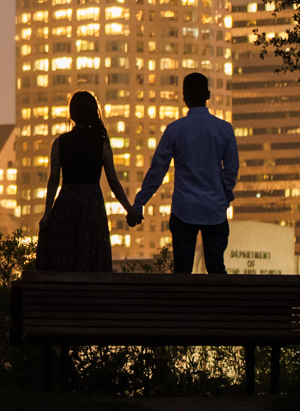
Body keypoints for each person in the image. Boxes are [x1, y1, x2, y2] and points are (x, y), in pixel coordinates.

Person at [130, 71, 238, 274]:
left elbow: (157, 171)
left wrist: (140, 202)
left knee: (182, 272)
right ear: (208, 95)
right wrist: (224, 195)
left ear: (184, 97)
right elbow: (231, 170)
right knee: (216, 268)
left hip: (184, 209)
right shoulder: (224, 129)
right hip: (214, 209)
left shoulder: (175, 130)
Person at [35, 90, 136, 271]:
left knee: (66, 260)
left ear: (72, 114)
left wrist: (47, 213)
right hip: (93, 207)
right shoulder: (102, 144)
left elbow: (53, 180)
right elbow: (113, 182)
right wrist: (129, 209)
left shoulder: (60, 143)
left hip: (66, 204)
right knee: (92, 258)